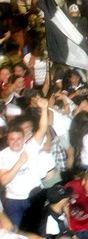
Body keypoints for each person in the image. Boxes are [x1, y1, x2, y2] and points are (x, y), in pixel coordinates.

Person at [0, 97, 48, 229]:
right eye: (12, 139)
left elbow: (42, 129)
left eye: (19, 138)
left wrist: (44, 109)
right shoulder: (2, 155)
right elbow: (3, 181)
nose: (16, 142)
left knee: (36, 228)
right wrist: (20, 162)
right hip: (14, 200)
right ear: (8, 141)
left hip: (35, 196)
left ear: (23, 138)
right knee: (14, 231)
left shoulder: (31, 146)